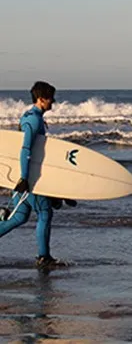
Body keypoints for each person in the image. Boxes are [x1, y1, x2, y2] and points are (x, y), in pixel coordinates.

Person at [0, 81, 63, 269]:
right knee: (45, 213)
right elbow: (25, 148)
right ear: (41, 99)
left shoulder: (31, 116)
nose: (53, 101)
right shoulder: (33, 120)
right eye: (51, 98)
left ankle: (44, 255)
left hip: (26, 176)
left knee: (19, 217)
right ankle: (44, 257)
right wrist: (25, 178)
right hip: (30, 180)